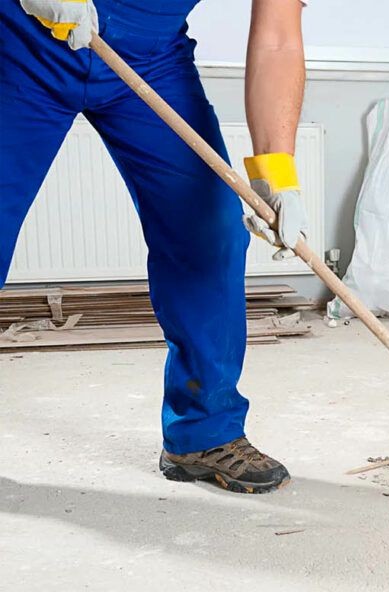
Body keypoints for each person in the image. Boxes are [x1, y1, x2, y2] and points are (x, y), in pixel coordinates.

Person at [0, 0, 311, 494]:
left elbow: (278, 39)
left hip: (150, 56)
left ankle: (204, 435)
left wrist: (278, 174)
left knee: (208, 229)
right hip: (23, 39)